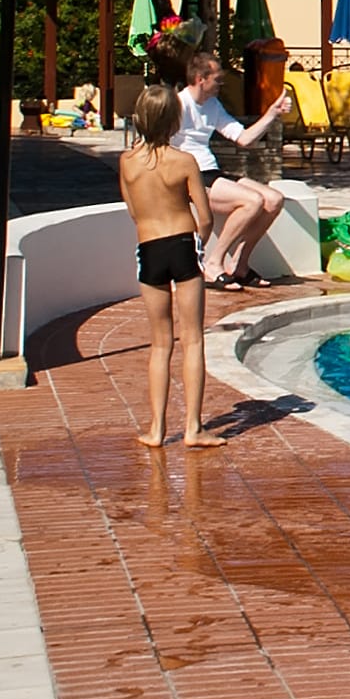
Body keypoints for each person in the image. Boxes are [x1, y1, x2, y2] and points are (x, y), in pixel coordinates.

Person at [118, 90, 221, 450]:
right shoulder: (185, 161)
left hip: (148, 248)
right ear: (175, 121)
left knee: (160, 344)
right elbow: (205, 217)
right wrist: (200, 244)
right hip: (181, 245)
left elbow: (133, 212)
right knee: (192, 339)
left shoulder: (127, 162)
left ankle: (156, 429)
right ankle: (193, 428)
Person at [170, 46, 298, 287]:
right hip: (192, 177)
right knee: (252, 201)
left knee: (273, 199)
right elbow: (159, 144)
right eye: (217, 79)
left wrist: (272, 113)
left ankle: (240, 264)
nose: (221, 84)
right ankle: (213, 261)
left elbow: (244, 139)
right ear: (201, 79)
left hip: (211, 172)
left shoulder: (212, 105)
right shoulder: (178, 105)